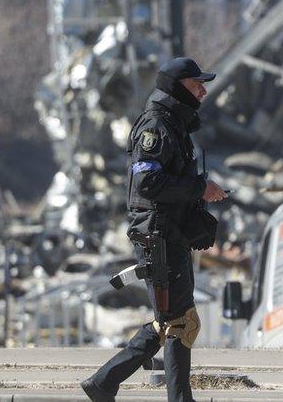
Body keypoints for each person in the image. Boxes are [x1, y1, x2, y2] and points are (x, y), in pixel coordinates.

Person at [81, 57, 228, 402]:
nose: (203, 92)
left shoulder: (174, 125)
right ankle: (138, 388)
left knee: (175, 321)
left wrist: (200, 189)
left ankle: (105, 383)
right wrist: (198, 189)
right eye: (196, 86)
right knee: (180, 323)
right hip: (157, 234)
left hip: (169, 232)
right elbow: (147, 182)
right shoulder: (156, 127)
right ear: (177, 89)